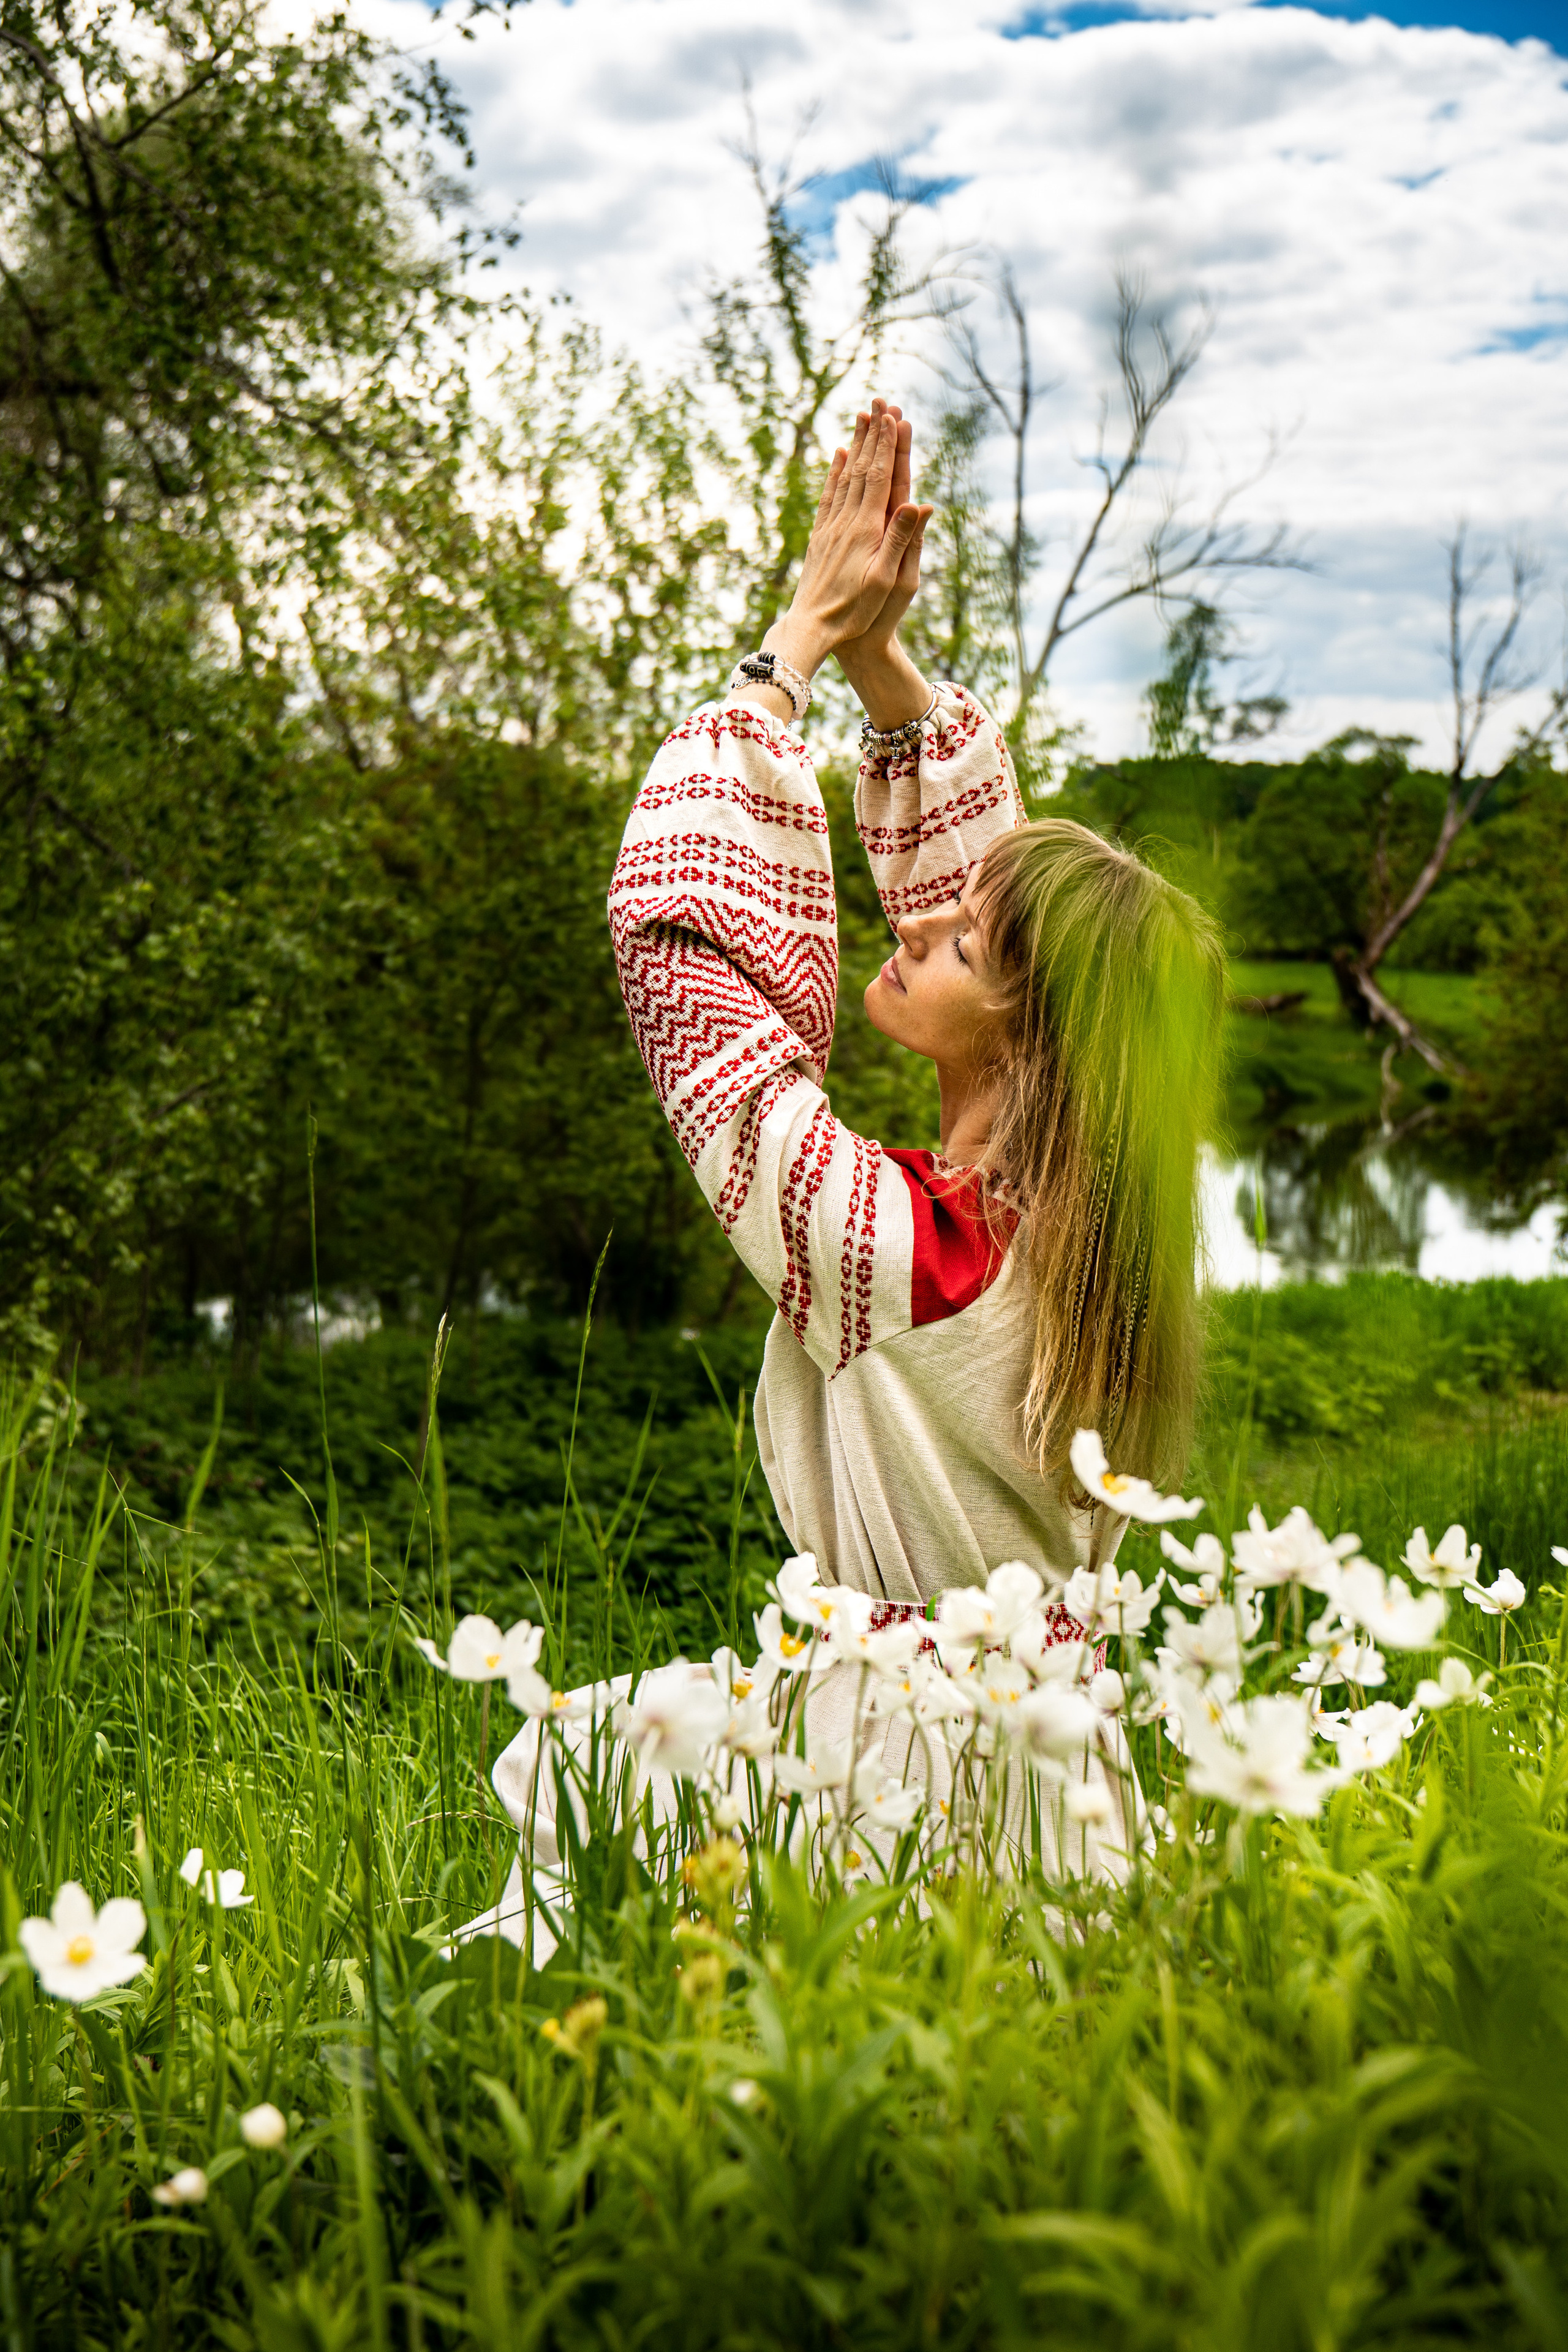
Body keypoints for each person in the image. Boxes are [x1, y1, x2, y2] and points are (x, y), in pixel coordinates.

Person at [470, 400, 1225, 1951]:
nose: (916, 926)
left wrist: (791, 653)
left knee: (574, 1779)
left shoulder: (897, 1254)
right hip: (1043, 1765)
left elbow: (678, 947)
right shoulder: (1085, 1232)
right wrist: (893, 683)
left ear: (1017, 1031)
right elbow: (1016, 909)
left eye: (948, 945)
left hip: (903, 1779)